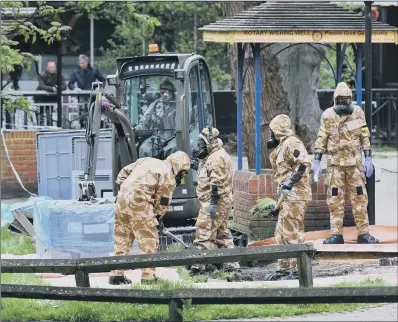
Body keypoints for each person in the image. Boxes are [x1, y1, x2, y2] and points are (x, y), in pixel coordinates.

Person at [108, 151, 191, 285]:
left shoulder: (147, 160)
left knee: (122, 237)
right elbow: (162, 203)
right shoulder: (169, 176)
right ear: (179, 167)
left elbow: (123, 172)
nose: (181, 176)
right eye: (183, 173)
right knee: (148, 240)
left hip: (122, 200)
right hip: (140, 203)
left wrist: (126, 190)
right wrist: (158, 219)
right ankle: (148, 277)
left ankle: (116, 275)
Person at [313, 82, 379, 245]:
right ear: (335, 99)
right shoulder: (328, 115)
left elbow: (364, 135)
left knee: (360, 198)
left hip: (354, 165)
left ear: (350, 99)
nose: (343, 102)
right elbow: (322, 137)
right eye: (340, 99)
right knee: (335, 199)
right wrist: (316, 160)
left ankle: (363, 233)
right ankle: (336, 234)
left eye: (346, 99)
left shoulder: (357, 112)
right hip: (335, 166)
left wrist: (368, 157)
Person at [265, 114, 312, 281]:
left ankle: (296, 271)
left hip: (297, 196)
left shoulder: (292, 142)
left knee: (291, 233)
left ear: (277, 131)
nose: (269, 136)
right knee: (282, 234)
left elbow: (304, 164)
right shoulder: (282, 146)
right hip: (287, 197)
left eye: (271, 131)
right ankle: (284, 269)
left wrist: (290, 183)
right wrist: (276, 207)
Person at [190, 127, 239, 274]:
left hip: (215, 201)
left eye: (202, 144)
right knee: (222, 234)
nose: (199, 147)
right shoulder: (211, 156)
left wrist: (212, 204)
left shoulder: (217, 158)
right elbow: (207, 173)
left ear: (210, 142)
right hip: (217, 201)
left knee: (204, 231)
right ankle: (231, 265)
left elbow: (217, 183)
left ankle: (201, 266)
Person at [68, 54, 106, 128]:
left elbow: (103, 80)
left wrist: (100, 88)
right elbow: (70, 84)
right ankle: (82, 125)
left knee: (92, 111)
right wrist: (75, 88)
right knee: (82, 112)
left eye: (82, 62)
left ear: (86, 62)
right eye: (80, 63)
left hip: (92, 95)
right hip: (81, 95)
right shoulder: (76, 72)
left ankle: (93, 126)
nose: (81, 64)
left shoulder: (94, 70)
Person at [34, 61, 66, 126]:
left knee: (49, 114)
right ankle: (40, 126)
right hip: (40, 99)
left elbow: (64, 86)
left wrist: (58, 88)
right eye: (51, 67)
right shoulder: (42, 74)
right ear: (47, 68)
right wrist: (52, 88)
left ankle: (49, 126)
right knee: (40, 114)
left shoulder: (59, 74)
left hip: (51, 98)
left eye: (53, 67)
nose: (52, 68)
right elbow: (41, 86)